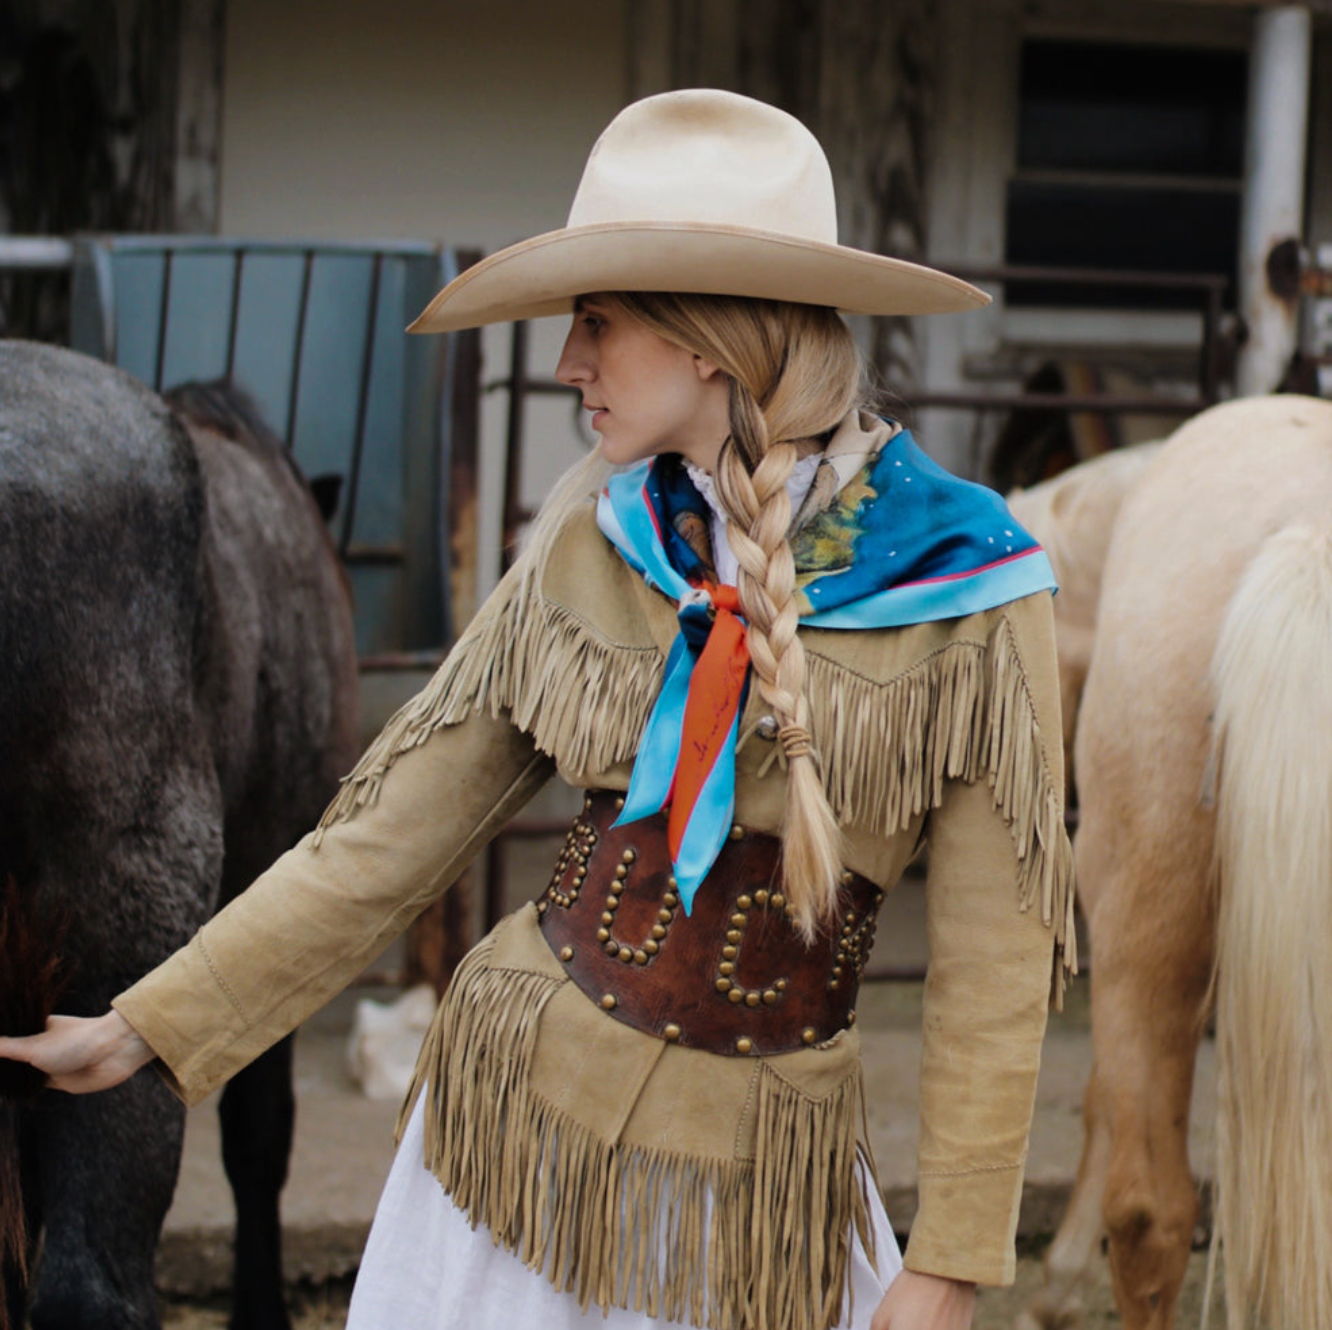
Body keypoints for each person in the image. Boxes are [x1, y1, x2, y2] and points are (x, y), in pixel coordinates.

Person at [0, 89, 1074, 1330]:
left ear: (708, 340)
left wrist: (947, 1262)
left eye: (598, 322)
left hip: (756, 1204)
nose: (567, 362)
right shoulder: (589, 541)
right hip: (500, 1168)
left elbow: (997, 967)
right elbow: (381, 844)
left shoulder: (976, 586)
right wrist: (147, 1024)